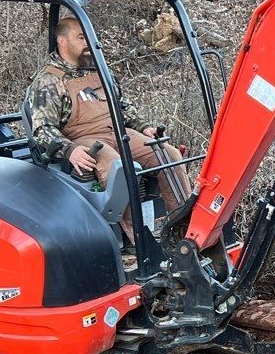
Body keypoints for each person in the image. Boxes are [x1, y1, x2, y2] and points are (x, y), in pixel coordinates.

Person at [25, 17, 191, 221]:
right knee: (118, 169)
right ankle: (136, 239)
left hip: (118, 132)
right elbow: (42, 129)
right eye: (81, 37)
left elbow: (121, 106)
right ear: (62, 41)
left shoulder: (99, 70)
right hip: (84, 139)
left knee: (169, 155)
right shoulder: (49, 81)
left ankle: (183, 224)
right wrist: (70, 150)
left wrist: (143, 126)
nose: (88, 43)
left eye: (89, 37)